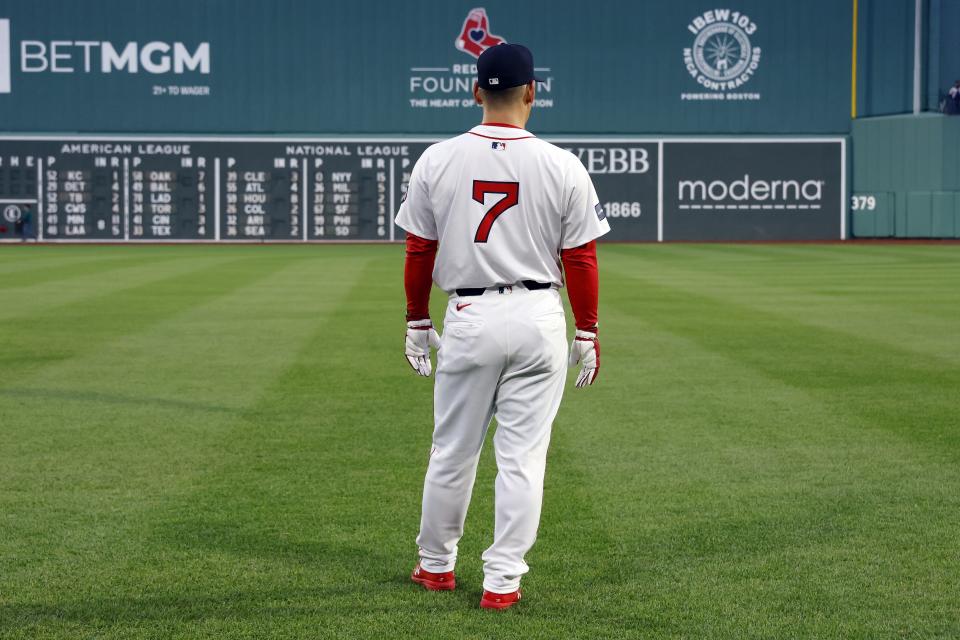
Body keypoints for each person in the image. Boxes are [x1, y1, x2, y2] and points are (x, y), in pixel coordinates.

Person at [396, 42, 609, 610]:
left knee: (453, 452)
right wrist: (586, 329)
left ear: (474, 93)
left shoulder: (438, 159)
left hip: (470, 314)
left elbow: (420, 250)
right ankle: (502, 583)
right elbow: (581, 259)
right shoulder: (561, 163)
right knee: (523, 459)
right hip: (539, 315)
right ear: (532, 93)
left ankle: (437, 567)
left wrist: (418, 319)